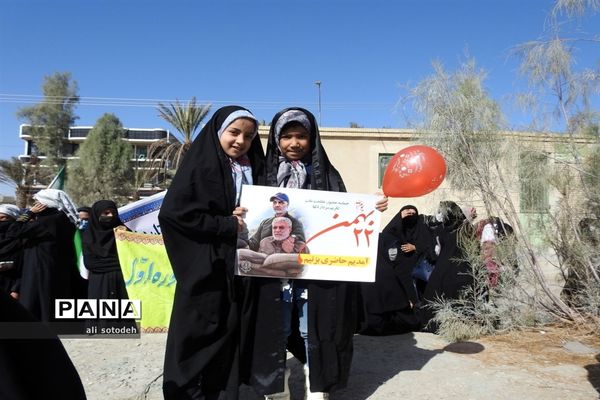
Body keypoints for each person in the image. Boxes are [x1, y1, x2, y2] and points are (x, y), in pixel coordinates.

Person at [244, 107, 386, 400]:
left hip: (314, 275)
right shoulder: (259, 175)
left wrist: (371, 209)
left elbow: (345, 217)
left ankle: (316, 382)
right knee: (275, 326)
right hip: (270, 275)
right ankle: (276, 386)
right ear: (276, 139)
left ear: (313, 139)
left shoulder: (328, 176)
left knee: (312, 326)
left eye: (302, 136)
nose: (294, 143)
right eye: (287, 136)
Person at [158, 106, 264, 400]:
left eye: (249, 135)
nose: (241, 141)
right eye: (234, 132)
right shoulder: (200, 168)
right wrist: (225, 224)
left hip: (240, 270)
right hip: (206, 269)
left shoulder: (253, 166)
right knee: (197, 333)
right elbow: (174, 215)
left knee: (230, 333)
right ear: (218, 132)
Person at [6, 189, 83, 322]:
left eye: (37, 203)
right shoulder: (63, 220)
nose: (34, 206)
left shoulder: (47, 221)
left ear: (45, 204)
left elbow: (13, 231)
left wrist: (29, 213)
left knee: (37, 302)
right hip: (54, 268)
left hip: (39, 268)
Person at [360, 205, 436, 335]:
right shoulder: (392, 231)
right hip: (395, 268)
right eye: (407, 213)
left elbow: (430, 246)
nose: (410, 215)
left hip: (416, 269)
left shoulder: (421, 229)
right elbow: (388, 237)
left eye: (413, 213)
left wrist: (415, 247)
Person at [419, 200, 474, 332]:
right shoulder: (466, 228)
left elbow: (436, 251)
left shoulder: (441, 229)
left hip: (444, 270)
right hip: (463, 270)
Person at [81, 200, 131, 331]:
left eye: (113, 213)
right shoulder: (89, 236)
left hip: (122, 282)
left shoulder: (123, 231)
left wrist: (126, 235)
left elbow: (134, 257)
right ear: (97, 215)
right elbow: (90, 264)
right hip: (100, 282)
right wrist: (119, 264)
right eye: (106, 213)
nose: (110, 216)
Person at [0, 204, 23, 300]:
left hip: (10, 285)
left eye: (3, 218)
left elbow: (26, 266)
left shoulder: (22, 240)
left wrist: (16, 290)